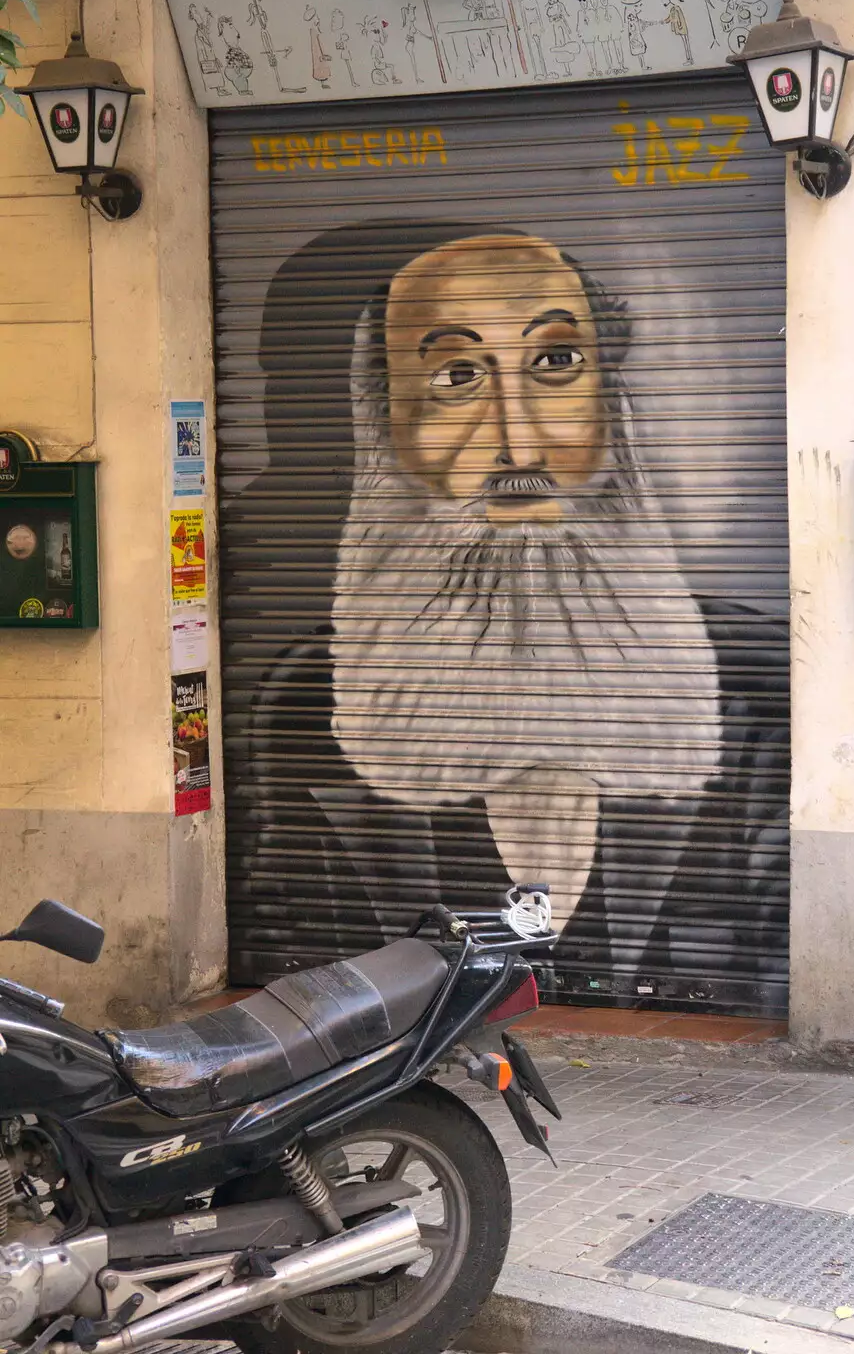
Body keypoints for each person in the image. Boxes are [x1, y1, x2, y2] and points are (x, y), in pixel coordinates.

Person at [236, 223, 789, 997]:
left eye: (557, 363)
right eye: (456, 376)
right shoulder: (300, 710)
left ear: (613, 411)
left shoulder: (759, 695)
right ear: (383, 434)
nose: (517, 446)